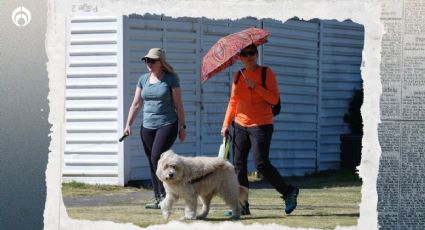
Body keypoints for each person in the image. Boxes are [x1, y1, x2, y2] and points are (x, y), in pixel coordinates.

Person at [221, 44, 299, 215]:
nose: (249, 56)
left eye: (252, 53)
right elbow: (233, 102)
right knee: (238, 166)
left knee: (261, 163)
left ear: (257, 55)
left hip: (261, 125)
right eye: (245, 53)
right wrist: (226, 124)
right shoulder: (237, 76)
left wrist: (255, 87)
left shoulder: (266, 73)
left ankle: (288, 192)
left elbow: (274, 98)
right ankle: (242, 204)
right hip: (240, 125)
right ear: (240, 57)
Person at [123, 48, 186, 209]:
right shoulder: (143, 79)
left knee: (156, 156)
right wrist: (128, 124)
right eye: (146, 60)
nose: (148, 63)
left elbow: (178, 105)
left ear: (161, 62)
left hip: (167, 124)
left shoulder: (171, 79)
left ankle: (165, 195)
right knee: (152, 162)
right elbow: (136, 104)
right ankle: (157, 196)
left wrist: (182, 126)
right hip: (147, 126)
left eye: (152, 60)